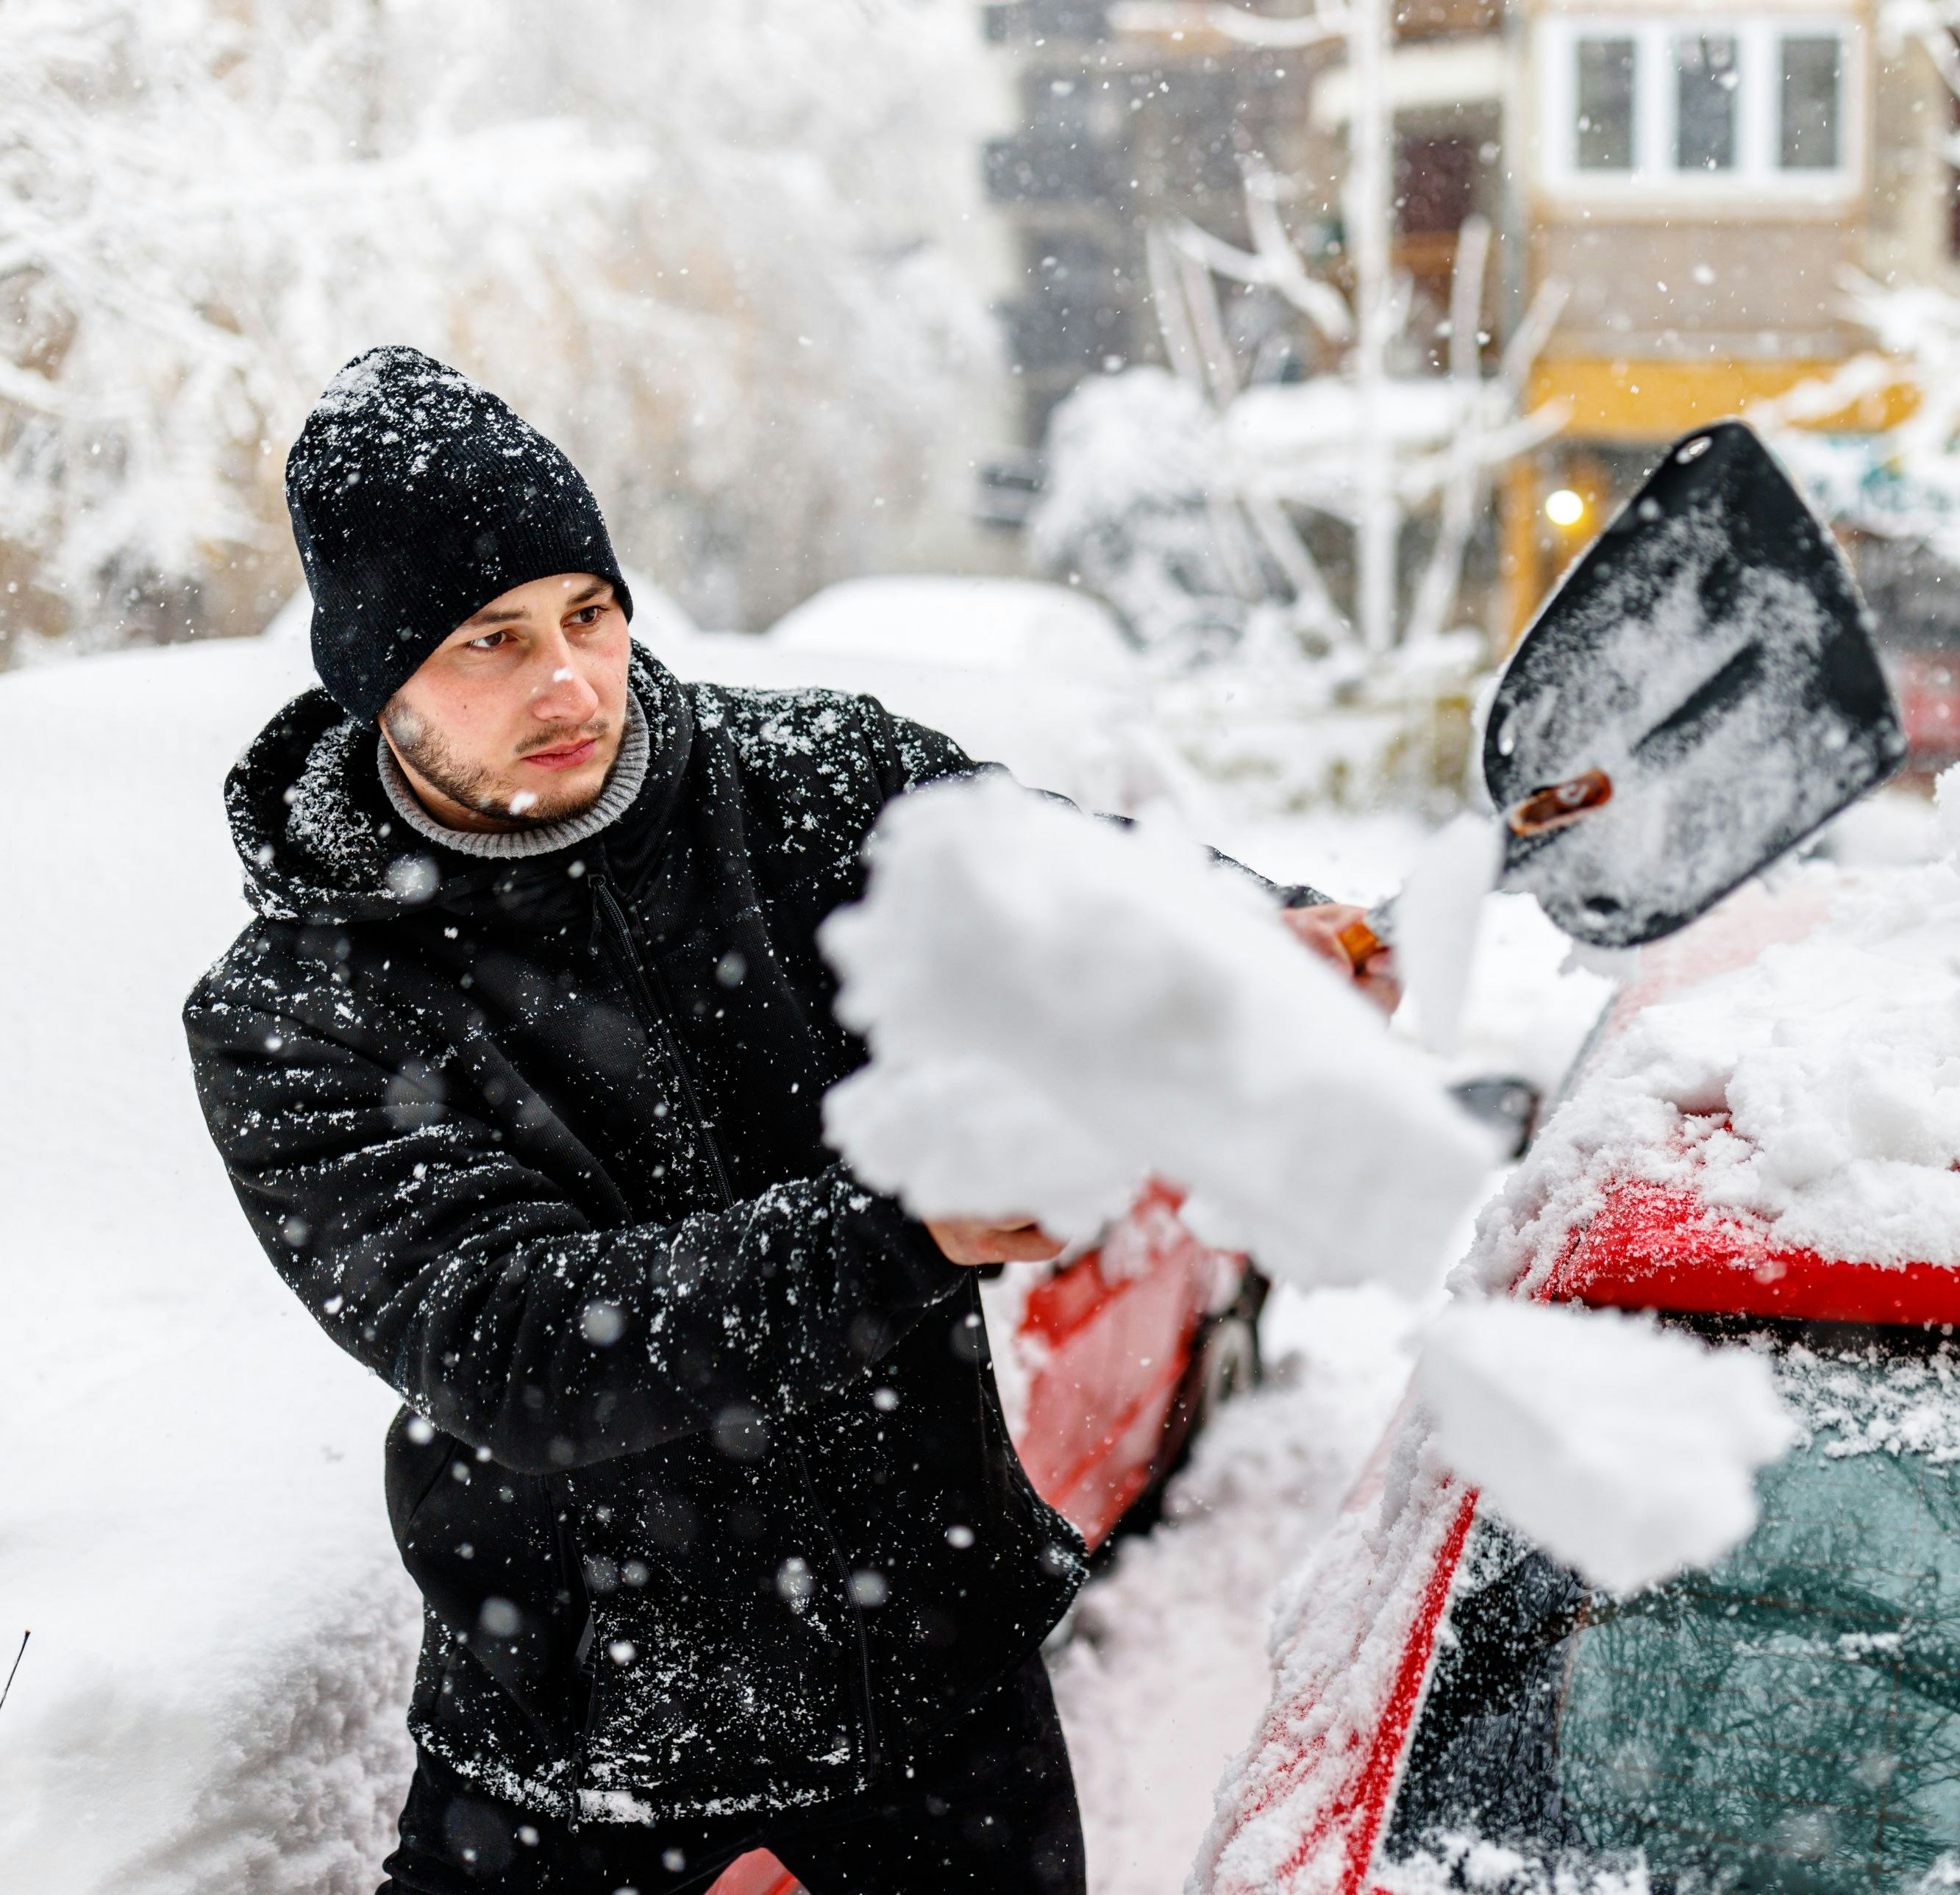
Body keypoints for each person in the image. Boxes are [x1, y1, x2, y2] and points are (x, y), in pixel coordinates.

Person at [184, 346, 1394, 1894]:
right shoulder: (298, 1009)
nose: (570, 681)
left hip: (929, 1685)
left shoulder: (801, 785)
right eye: (493, 640)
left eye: (589, 615)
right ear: (374, 681)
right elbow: (510, 1341)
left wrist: (1265, 939)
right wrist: (900, 1223)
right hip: (577, 1739)